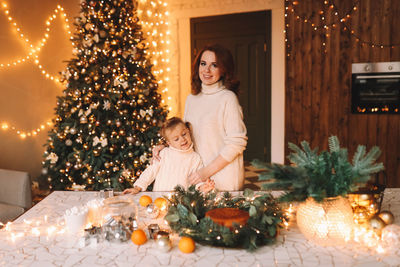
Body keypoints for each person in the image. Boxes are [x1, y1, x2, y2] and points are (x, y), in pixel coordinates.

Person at [154, 44, 247, 191]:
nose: (206, 70)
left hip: (223, 179)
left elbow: (236, 144)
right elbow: (186, 133)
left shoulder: (228, 98)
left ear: (224, 70)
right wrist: (166, 147)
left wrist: (205, 172)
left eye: (214, 65)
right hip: (198, 180)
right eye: (203, 63)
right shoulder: (192, 99)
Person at [123, 117, 214, 194]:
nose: (182, 139)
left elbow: (197, 181)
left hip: (181, 204)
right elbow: (150, 171)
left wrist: (203, 187)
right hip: (159, 199)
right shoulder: (164, 153)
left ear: (188, 131)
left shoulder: (195, 158)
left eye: (184, 134)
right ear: (169, 143)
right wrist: (137, 187)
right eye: (176, 139)